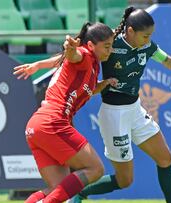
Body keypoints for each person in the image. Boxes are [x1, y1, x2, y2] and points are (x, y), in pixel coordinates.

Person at [23, 7, 171, 203]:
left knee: (165, 159)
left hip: (135, 110)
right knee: (116, 177)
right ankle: (80, 193)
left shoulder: (144, 48)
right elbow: (74, 57)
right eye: (145, 35)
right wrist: (52, 59)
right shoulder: (103, 48)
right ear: (130, 31)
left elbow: (170, 62)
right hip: (110, 115)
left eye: (151, 35)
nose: (149, 40)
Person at [13, 22, 117, 203]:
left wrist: (104, 84)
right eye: (107, 46)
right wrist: (70, 48)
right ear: (91, 45)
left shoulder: (93, 66)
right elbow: (73, 55)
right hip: (53, 123)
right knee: (96, 169)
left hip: (37, 126)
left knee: (58, 188)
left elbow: (86, 88)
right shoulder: (84, 55)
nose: (110, 51)